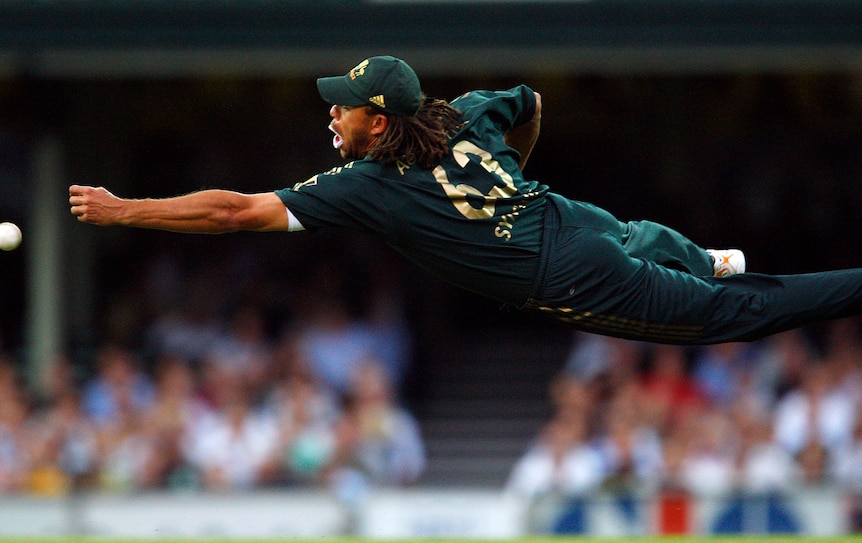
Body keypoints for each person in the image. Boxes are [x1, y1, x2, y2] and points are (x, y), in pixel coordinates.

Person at [69, 55, 862, 345]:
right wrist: (510, 181)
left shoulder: (368, 188)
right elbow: (532, 101)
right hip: (571, 217)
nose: (332, 113)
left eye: (343, 105)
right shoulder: (464, 114)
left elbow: (235, 211)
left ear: (378, 121)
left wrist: (122, 208)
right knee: (646, 236)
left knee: (734, 316)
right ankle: (708, 257)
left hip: (569, 275)